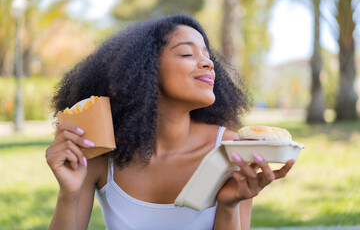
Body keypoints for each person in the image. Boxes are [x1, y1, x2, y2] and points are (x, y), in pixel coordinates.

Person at [46, 14, 294, 230]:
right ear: (144, 70)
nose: (209, 64)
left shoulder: (230, 150)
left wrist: (229, 205)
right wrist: (69, 193)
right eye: (187, 53)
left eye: (208, 57)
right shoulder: (103, 156)